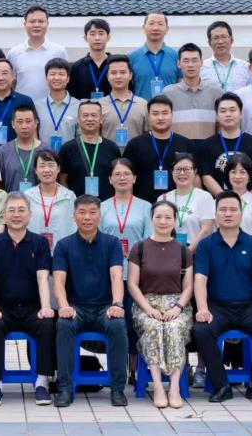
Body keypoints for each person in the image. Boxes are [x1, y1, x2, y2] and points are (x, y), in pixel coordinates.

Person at [191, 191, 252, 403]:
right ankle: (221, 385)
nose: (228, 214)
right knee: (201, 330)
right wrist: (202, 309)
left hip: (250, 307)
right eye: (223, 210)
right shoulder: (206, 245)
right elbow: (200, 279)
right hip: (217, 307)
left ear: (241, 213)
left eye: (233, 209)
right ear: (216, 214)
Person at [52, 195, 129, 407]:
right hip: (76, 307)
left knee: (117, 325)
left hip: (105, 307)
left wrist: (117, 304)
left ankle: (117, 389)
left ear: (99, 215)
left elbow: (116, 276)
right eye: (82, 212)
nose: (87, 217)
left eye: (92, 212)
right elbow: (58, 281)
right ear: (74, 216)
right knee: (63, 324)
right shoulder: (63, 245)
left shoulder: (112, 243)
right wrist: (64, 306)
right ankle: (64, 388)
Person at [0, 192, 57, 406]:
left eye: (21, 210)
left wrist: (45, 307)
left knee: (47, 323)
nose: (16, 215)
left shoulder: (39, 242)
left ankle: (42, 383)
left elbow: (43, 278)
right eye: (12, 210)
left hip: (32, 307)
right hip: (3, 307)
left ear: (29, 215)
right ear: (4, 215)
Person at [126, 200, 193, 409]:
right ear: (151, 219)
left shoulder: (183, 251)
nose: (163, 221)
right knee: (153, 327)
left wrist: (178, 308)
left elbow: (189, 286)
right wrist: (148, 309)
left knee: (174, 328)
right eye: (158, 217)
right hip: (146, 304)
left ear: (175, 220)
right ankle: (157, 386)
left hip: (177, 304)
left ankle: (174, 387)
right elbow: (132, 284)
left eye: (168, 217)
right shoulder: (139, 248)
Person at [99, 158, 153, 356]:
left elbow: (149, 242)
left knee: (133, 319)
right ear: (110, 179)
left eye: (126, 174)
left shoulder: (146, 207)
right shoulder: (101, 207)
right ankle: (117, 362)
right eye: (117, 174)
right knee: (113, 319)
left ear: (135, 178)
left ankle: (134, 363)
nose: (122, 178)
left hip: (136, 273)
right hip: (109, 273)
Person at [123, 95, 193, 204]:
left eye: (165, 113)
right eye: (155, 114)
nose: (160, 118)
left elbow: (194, 178)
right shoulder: (135, 145)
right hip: (143, 205)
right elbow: (127, 178)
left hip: (179, 205)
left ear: (172, 115)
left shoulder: (185, 144)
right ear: (148, 116)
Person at [198, 93, 252, 196]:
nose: (228, 114)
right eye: (223, 111)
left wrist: (245, 199)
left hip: (249, 201)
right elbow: (206, 177)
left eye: (232, 110)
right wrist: (225, 199)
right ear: (217, 116)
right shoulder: (207, 145)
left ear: (241, 114)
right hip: (218, 202)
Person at [59, 100, 120, 200]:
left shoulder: (112, 148)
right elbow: (63, 179)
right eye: (85, 115)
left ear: (101, 119)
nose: (90, 119)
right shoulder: (67, 148)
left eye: (94, 115)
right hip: (77, 205)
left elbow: (117, 178)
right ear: (78, 119)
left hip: (106, 204)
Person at [163, 42, 224, 140]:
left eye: (194, 60)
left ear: (201, 63)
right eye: (186, 61)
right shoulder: (168, 93)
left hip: (208, 148)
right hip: (178, 148)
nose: (190, 65)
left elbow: (221, 126)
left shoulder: (217, 93)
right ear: (179, 64)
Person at [7, 5, 68, 100]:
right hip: (22, 106)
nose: (36, 25)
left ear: (47, 24)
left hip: (50, 106)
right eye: (32, 21)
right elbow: (11, 83)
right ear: (25, 24)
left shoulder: (59, 52)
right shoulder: (14, 53)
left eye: (41, 21)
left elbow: (64, 82)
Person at [157, 153, 215, 250]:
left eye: (187, 169)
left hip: (197, 251)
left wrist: (188, 251)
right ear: (172, 172)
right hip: (168, 251)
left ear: (195, 172)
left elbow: (206, 230)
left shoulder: (205, 197)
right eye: (178, 169)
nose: (182, 173)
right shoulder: (163, 198)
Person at [24, 149, 78, 248]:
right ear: (35, 170)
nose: (47, 170)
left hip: (62, 251)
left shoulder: (69, 196)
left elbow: (74, 227)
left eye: (51, 165)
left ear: (58, 169)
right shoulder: (27, 196)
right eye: (42, 166)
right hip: (34, 251)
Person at [128, 11, 180, 101]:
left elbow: (181, 85)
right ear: (143, 28)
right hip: (141, 108)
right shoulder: (132, 57)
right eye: (151, 23)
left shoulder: (176, 56)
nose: (155, 28)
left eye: (160, 24)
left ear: (167, 29)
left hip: (170, 108)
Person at [99, 54, 148, 147]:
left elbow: (148, 135)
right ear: (108, 76)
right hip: (108, 155)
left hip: (136, 155)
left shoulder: (143, 104)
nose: (118, 76)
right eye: (113, 73)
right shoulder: (99, 105)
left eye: (122, 72)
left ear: (130, 75)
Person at [0, 104, 47, 193]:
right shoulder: (3, 152)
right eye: (20, 122)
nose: (24, 126)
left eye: (28, 121)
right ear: (13, 124)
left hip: (39, 201)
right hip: (10, 200)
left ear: (36, 123)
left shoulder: (46, 150)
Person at [37, 58, 79, 151]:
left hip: (70, 156)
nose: (56, 78)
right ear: (46, 78)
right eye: (52, 74)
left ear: (68, 79)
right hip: (42, 157)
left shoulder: (78, 106)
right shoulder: (37, 106)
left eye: (61, 74)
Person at [68, 18, 114, 100]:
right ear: (85, 38)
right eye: (92, 34)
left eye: (101, 33)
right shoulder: (76, 68)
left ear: (108, 37)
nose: (97, 38)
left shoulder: (116, 66)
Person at [200, 21, 251, 92]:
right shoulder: (201, 68)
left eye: (224, 37)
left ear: (232, 40)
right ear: (209, 42)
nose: (220, 42)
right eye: (216, 38)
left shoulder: (246, 67)